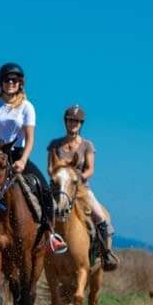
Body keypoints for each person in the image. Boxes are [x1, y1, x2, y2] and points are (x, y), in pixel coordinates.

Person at [0, 62, 67, 258]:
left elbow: (30, 138)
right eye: (6, 80)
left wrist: (23, 161)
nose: (10, 83)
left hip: (17, 154)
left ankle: (50, 233)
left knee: (44, 188)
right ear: (0, 83)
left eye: (14, 80)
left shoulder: (27, 107)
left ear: (20, 83)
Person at [47, 105, 120, 271]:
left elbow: (90, 169)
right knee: (40, 215)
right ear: (66, 122)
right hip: (59, 188)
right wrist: (59, 177)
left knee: (102, 218)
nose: (73, 124)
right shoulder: (55, 145)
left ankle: (105, 254)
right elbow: (50, 167)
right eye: (70, 120)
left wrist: (78, 177)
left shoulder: (87, 145)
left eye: (76, 121)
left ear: (81, 124)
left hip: (81, 189)